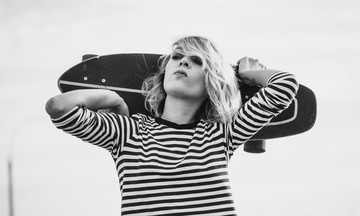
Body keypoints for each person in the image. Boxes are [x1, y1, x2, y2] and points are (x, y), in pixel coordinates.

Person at [46, 36, 299, 216]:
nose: (183, 63)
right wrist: (111, 98)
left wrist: (247, 73)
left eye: (197, 61)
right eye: (177, 57)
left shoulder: (221, 134)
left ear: (212, 82)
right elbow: (59, 107)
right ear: (164, 74)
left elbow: (285, 86)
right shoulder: (128, 133)